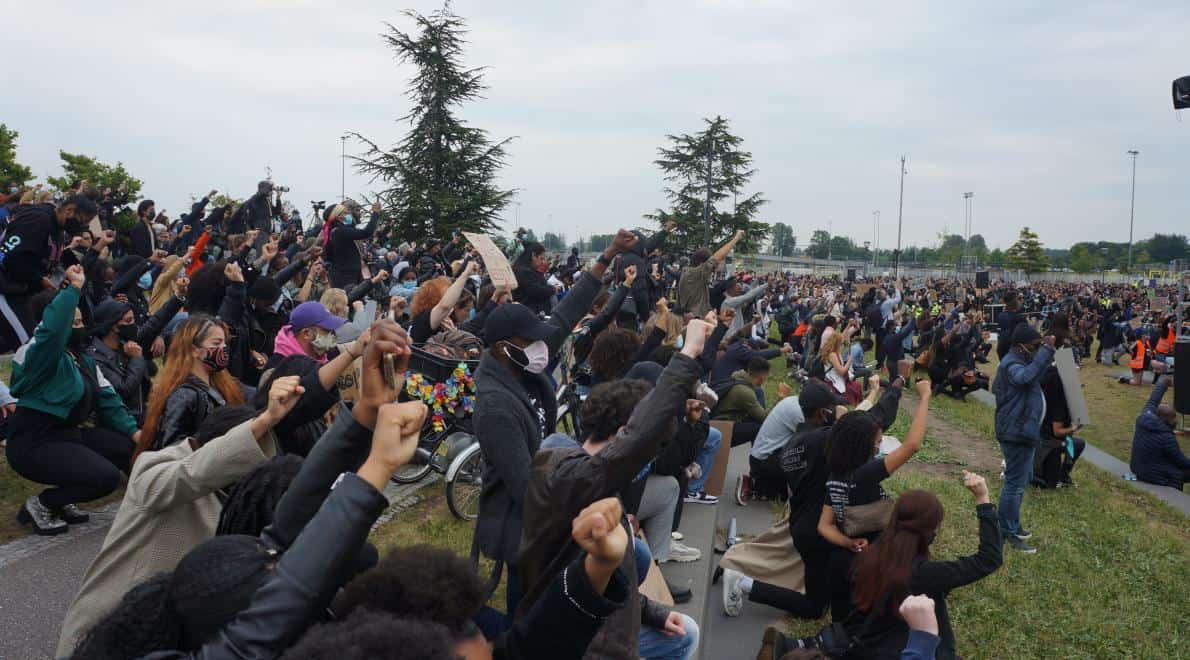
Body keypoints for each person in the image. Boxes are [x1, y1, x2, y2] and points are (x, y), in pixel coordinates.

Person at [56, 378, 301, 656]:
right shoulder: (155, 468)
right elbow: (190, 475)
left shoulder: (235, 502)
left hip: (164, 638)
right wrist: (264, 421)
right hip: (108, 629)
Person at [517, 320, 710, 660]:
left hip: (578, 612)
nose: (652, 457)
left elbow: (611, 581)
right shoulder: (580, 481)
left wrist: (655, 613)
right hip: (578, 641)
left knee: (647, 572)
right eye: (655, 448)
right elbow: (638, 438)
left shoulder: (568, 462)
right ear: (623, 434)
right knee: (686, 636)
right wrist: (689, 352)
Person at [474, 229, 636, 618]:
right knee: (530, 608)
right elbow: (525, 489)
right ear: (502, 348)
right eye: (529, 341)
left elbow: (569, 312)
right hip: (519, 519)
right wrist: (581, 508)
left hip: (548, 491)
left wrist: (609, 254)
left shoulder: (521, 367)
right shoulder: (496, 407)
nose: (540, 347)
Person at [771, 472, 1002, 660]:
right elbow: (988, 559)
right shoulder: (926, 575)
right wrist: (983, 499)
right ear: (929, 531)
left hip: (870, 646)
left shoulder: (869, 556)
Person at [6, 266, 140, 535]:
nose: (80, 328)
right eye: (73, 323)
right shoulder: (34, 353)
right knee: (106, 478)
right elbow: (52, 334)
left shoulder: (84, 360)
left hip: (67, 437)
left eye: (80, 322)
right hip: (33, 443)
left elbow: (109, 401)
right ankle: (42, 504)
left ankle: (64, 498)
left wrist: (135, 432)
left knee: (124, 446)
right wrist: (73, 290)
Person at [139, 315, 248, 453]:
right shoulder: (183, 396)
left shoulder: (219, 381)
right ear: (194, 350)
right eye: (216, 343)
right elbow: (171, 450)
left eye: (224, 343)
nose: (224, 348)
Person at [0, 194, 96, 351]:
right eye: (82, 221)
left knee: (35, 343)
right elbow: (9, 256)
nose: (82, 227)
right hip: (4, 289)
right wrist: (40, 280)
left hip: (21, 292)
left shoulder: (58, 229)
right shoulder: (38, 220)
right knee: (28, 349)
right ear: (69, 210)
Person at [991, 323, 1055, 553]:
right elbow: (1025, 378)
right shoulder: (1011, 364)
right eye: (1035, 346)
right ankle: (1007, 531)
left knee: (1020, 481)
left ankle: (1012, 523)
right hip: (1015, 432)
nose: (1038, 348)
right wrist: (1047, 351)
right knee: (1014, 485)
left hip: (1022, 431)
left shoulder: (1021, 360)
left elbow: (1033, 373)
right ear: (1022, 346)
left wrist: (1047, 356)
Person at [1129, 375, 1188, 490]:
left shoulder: (1144, 418)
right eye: (1173, 418)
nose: (1176, 420)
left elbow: (1153, 400)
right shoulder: (1167, 437)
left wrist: (1164, 383)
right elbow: (1181, 461)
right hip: (1155, 476)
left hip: (1138, 468)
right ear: (1168, 420)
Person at [1032, 366, 1085, 488]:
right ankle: (1051, 475)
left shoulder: (1043, 391)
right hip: (1049, 442)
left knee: (1077, 444)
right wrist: (1074, 428)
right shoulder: (1060, 402)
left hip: (1038, 436)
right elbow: (1058, 432)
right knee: (1050, 484)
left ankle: (1061, 475)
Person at [676, 229, 745, 317]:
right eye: (712, 269)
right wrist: (736, 238)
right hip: (693, 322)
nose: (713, 271)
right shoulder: (693, 274)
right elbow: (716, 258)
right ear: (702, 264)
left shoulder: (694, 276)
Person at [408, 261, 479, 343]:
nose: (452, 297)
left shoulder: (446, 322)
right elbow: (444, 307)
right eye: (448, 293)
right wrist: (466, 273)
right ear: (433, 297)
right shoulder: (424, 318)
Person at [268, 300, 352, 368]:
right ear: (306, 333)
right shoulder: (278, 369)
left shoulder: (324, 352)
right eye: (327, 330)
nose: (332, 335)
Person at [322, 201, 381, 288]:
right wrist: (375, 213)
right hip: (346, 277)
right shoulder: (340, 231)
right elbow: (366, 232)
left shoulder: (334, 231)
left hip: (345, 274)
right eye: (345, 213)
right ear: (338, 216)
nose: (348, 215)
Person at [512, 240, 556, 315]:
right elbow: (536, 290)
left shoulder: (523, 269)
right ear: (533, 256)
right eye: (541, 258)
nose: (542, 262)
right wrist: (553, 289)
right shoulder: (523, 272)